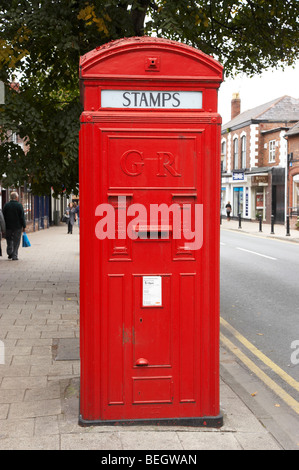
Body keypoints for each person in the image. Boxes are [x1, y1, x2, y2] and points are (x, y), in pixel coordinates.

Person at [3, 192, 26, 260]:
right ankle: (14, 255)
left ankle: (10, 252)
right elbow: (22, 217)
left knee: (9, 239)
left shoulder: (6, 205)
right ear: (16, 198)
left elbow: (3, 216)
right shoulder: (19, 205)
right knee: (16, 241)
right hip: (17, 227)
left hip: (8, 226)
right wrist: (24, 226)